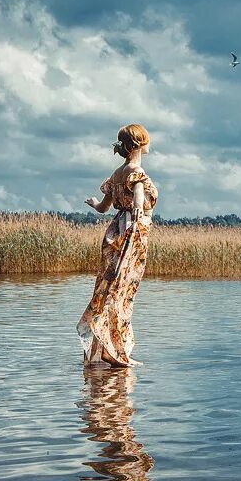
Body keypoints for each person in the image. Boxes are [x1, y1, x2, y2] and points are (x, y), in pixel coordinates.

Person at [77, 123, 158, 367]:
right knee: (122, 293)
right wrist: (136, 204)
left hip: (115, 232)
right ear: (139, 144)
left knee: (109, 289)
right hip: (131, 235)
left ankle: (106, 349)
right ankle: (116, 353)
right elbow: (138, 199)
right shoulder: (136, 172)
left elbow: (103, 208)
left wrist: (93, 203)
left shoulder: (116, 174)